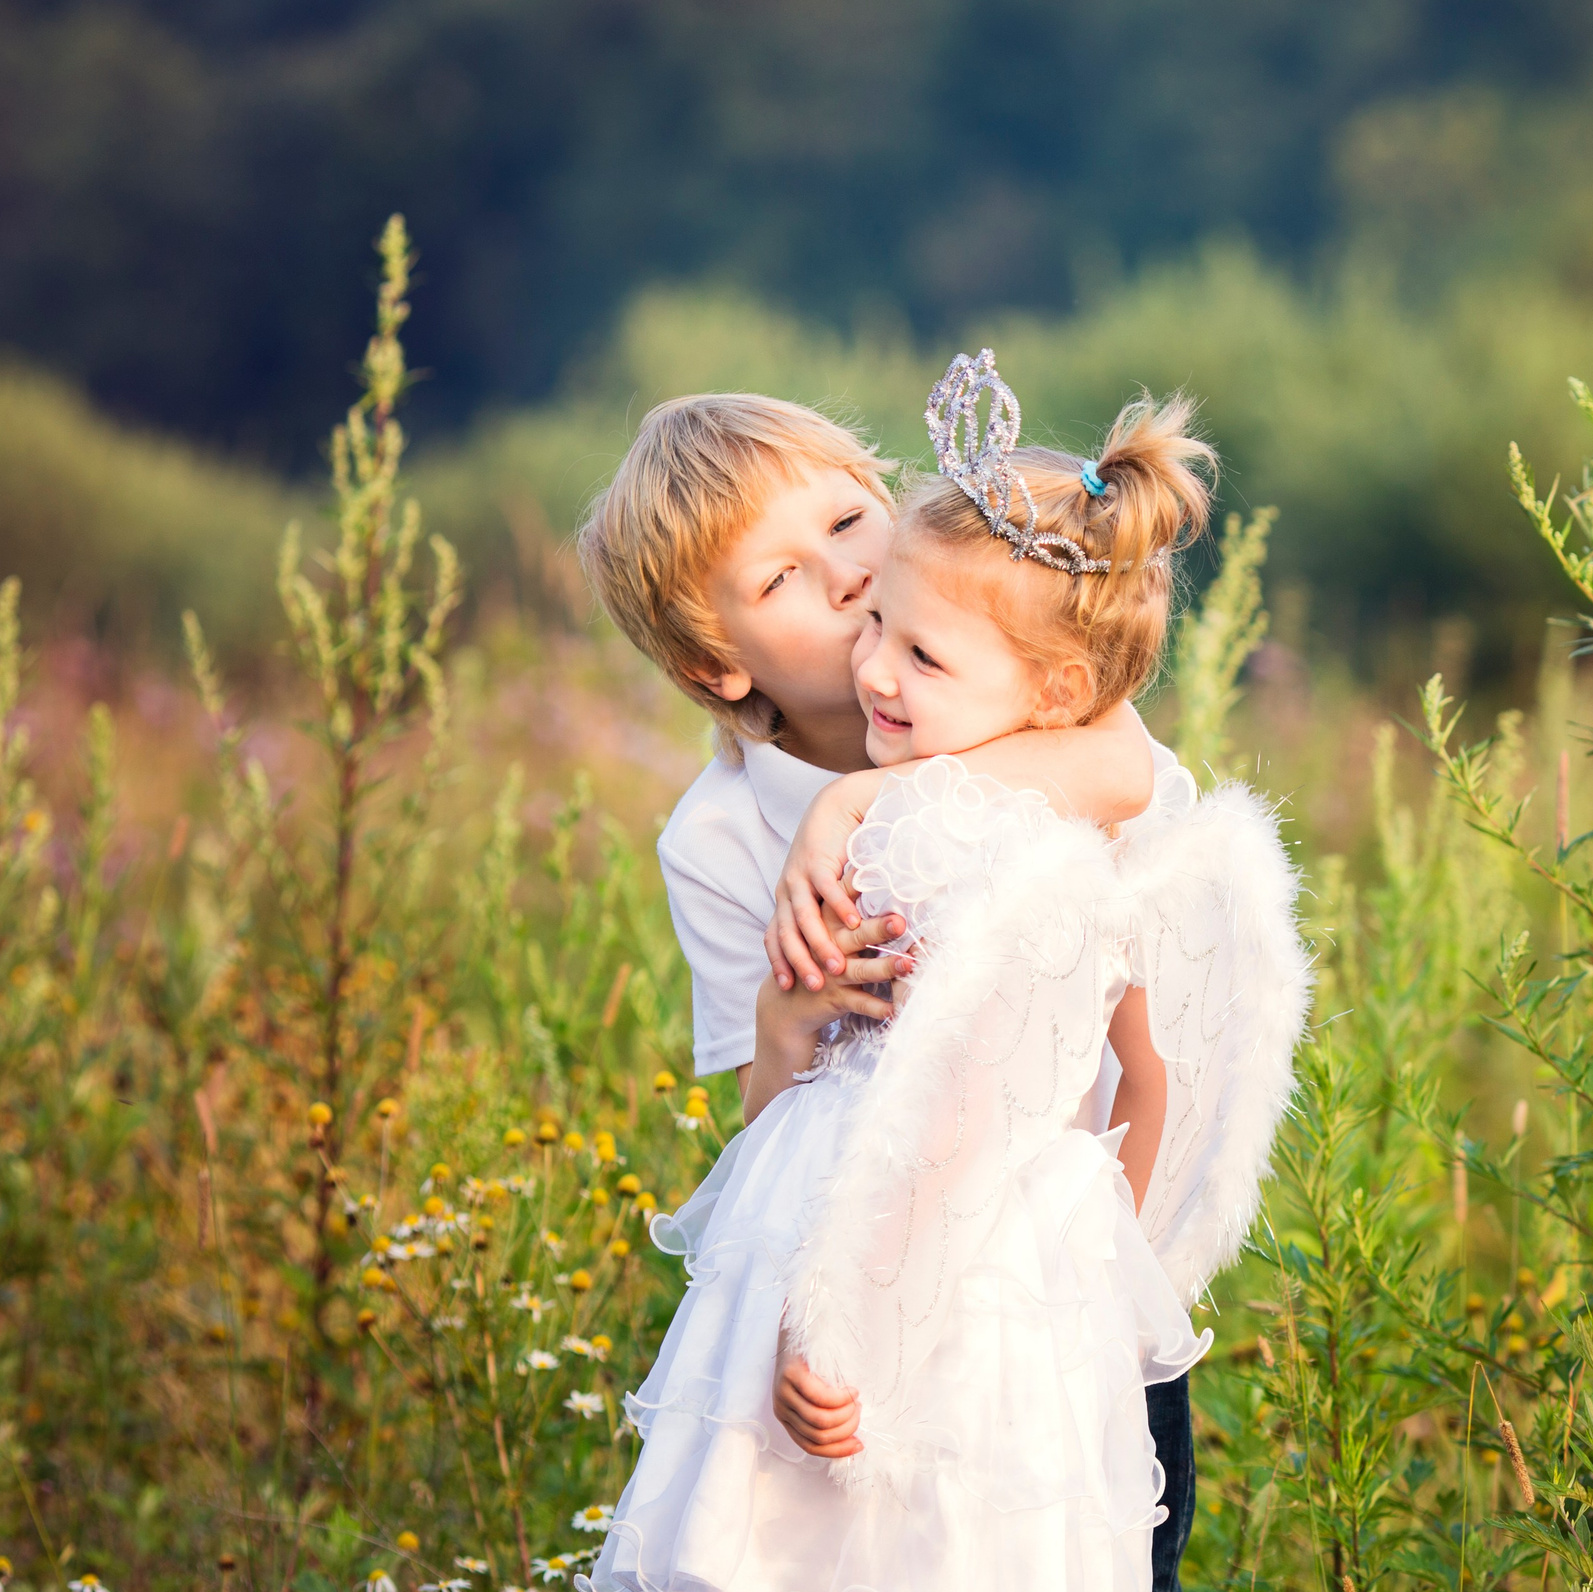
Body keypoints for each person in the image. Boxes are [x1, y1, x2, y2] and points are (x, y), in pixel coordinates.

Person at [578, 355, 1309, 1591]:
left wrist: (859, 801)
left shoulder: (1022, 683)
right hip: (847, 1272)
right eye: (780, 578)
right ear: (716, 664)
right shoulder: (720, 833)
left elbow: (1123, 765)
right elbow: (766, 1121)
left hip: (1047, 1279)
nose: (846, 574)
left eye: (846, 520)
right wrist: (785, 1015)